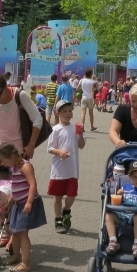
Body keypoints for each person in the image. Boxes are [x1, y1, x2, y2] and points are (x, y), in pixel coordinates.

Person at [0, 142, 47, 272]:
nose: (5, 164)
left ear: (12, 156)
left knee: (23, 233)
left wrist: (29, 202)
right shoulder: (14, 168)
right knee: (15, 232)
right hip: (18, 204)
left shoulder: (25, 166)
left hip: (27, 203)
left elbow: (32, 185)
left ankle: (25, 263)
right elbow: (16, 189)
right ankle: (16, 256)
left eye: (5, 161)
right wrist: (8, 203)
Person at [46, 99, 85, 233]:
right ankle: (58, 219)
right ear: (58, 113)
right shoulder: (55, 129)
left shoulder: (76, 128)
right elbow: (50, 148)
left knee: (72, 195)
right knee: (57, 197)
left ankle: (66, 210)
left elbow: (81, 146)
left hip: (72, 169)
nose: (68, 114)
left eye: (69, 111)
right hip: (58, 170)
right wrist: (59, 152)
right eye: (64, 111)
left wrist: (80, 134)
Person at [104, 159, 137, 259]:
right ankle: (113, 241)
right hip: (123, 214)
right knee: (109, 215)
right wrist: (118, 194)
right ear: (129, 177)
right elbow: (118, 194)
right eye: (135, 177)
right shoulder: (126, 187)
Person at [0, 72, 43, 157]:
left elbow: (37, 119)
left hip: (18, 151)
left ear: (5, 87)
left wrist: (31, 145)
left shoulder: (20, 95)